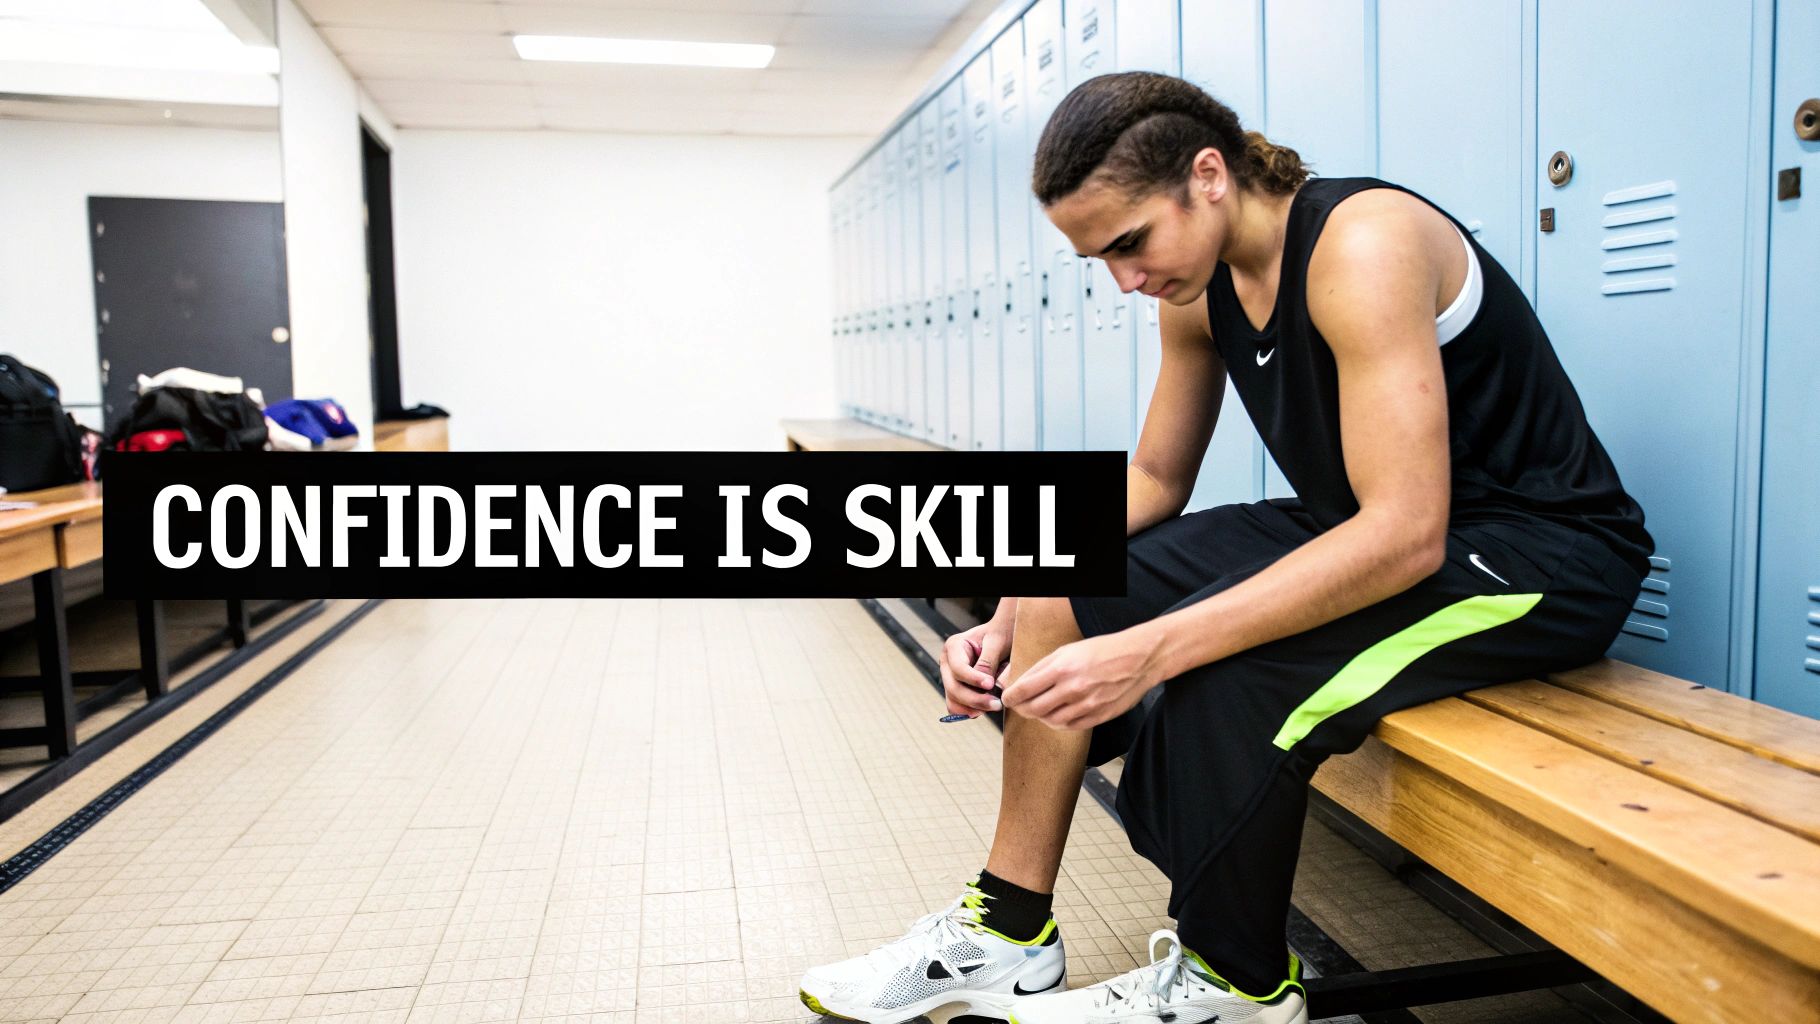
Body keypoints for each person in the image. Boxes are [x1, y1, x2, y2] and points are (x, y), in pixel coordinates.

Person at [799, 71, 1652, 1024]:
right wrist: (1017, 594)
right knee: (1059, 594)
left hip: (1533, 556)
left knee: (1229, 671)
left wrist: (1154, 647)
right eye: (1100, 261)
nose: (1125, 280)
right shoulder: (1195, 286)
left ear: (1209, 175)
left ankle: (1233, 985)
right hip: (1363, 524)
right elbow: (1159, 477)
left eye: (1130, 243)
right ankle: (1008, 931)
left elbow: (1407, 535)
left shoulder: (1360, 243)